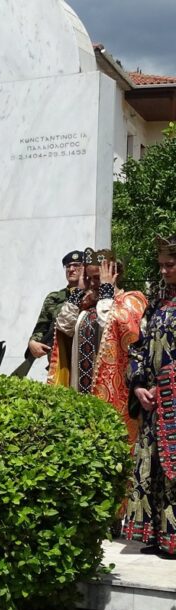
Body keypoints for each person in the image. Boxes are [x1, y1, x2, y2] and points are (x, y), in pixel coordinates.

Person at [48, 249, 148, 444]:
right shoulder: (87, 304)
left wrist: (106, 290)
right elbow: (64, 326)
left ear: (113, 275)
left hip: (114, 393)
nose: (93, 283)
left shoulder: (130, 300)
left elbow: (111, 325)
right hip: (80, 392)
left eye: (97, 278)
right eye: (88, 277)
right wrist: (78, 291)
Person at [124, 236, 176, 557]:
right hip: (154, 404)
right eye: (161, 265)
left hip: (174, 401)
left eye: (170, 264)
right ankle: (160, 536)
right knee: (152, 467)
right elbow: (138, 349)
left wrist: (167, 383)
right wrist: (139, 384)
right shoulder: (155, 306)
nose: (164, 270)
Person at [24, 250, 83, 364]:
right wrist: (33, 342)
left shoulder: (93, 296)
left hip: (84, 359)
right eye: (68, 266)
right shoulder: (55, 297)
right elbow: (41, 328)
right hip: (58, 361)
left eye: (76, 265)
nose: (71, 269)